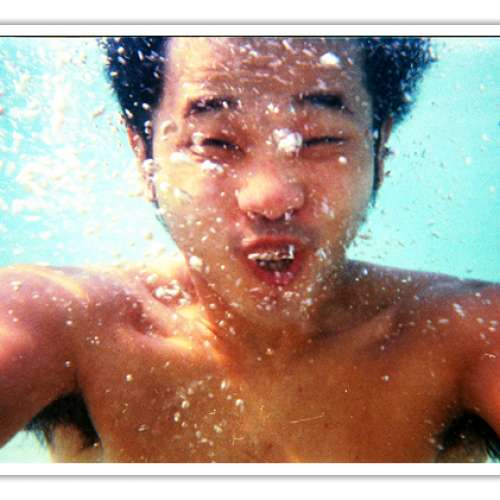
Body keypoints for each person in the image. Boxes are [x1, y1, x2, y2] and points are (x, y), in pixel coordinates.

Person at [1, 36, 499, 463]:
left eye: (321, 138)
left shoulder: (465, 334)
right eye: (216, 143)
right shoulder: (66, 320)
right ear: (143, 155)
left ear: (379, 148)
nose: (271, 198)